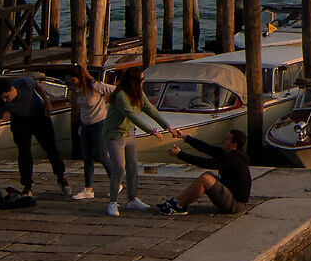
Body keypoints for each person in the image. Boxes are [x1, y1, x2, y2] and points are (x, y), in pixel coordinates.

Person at [102, 66, 174, 217]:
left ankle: (132, 199)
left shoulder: (138, 93)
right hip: (115, 135)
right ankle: (113, 202)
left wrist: (168, 127)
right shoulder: (121, 95)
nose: (144, 82)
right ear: (134, 81)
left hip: (129, 134)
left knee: (133, 167)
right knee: (119, 168)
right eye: (141, 79)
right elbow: (131, 115)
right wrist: (151, 130)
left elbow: (150, 109)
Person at [0, 76, 67, 197]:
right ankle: (27, 186)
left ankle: (61, 176)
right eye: (2, 98)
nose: (5, 100)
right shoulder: (1, 103)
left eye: (6, 97)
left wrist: (47, 103)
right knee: (24, 152)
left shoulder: (24, 83)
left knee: (50, 147)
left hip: (38, 116)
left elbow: (38, 86)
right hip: (19, 120)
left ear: (12, 89)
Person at [159, 128, 254, 215]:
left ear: (234, 145)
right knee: (207, 175)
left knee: (205, 179)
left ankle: (178, 206)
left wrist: (180, 154)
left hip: (235, 205)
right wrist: (185, 137)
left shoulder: (233, 159)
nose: (223, 141)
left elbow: (205, 163)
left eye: (226, 139)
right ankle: (177, 202)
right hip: (231, 197)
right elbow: (206, 148)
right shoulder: (230, 153)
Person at [66, 64, 115, 201]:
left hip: (99, 124)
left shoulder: (95, 86)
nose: (72, 82)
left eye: (73, 79)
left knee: (101, 155)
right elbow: (82, 107)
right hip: (85, 125)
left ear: (80, 77)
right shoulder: (77, 89)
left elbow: (115, 90)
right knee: (86, 157)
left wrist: (111, 106)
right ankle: (88, 188)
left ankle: (116, 182)